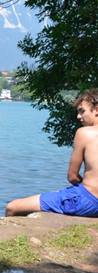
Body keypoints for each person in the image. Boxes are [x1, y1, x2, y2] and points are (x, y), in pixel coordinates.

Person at [6, 89, 98, 217]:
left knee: (12, 207)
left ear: (96, 110)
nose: (78, 116)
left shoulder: (84, 133)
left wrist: (85, 188)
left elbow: (72, 176)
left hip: (87, 201)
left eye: (82, 111)